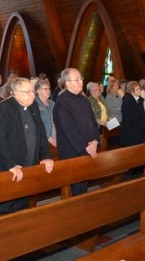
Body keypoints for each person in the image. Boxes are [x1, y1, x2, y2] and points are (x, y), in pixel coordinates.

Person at [0, 77, 54, 217]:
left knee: (21, 207)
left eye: (32, 91)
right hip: (7, 169)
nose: (32, 95)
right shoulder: (5, 107)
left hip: (27, 167)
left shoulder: (33, 106)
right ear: (15, 93)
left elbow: (41, 132)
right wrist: (10, 165)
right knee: (3, 208)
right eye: (27, 92)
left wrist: (47, 156)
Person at [53, 68, 99, 196]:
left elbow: (93, 123)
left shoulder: (84, 100)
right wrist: (86, 146)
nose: (80, 82)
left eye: (81, 78)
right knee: (75, 189)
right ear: (67, 83)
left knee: (83, 186)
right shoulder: (62, 102)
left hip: (88, 149)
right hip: (72, 152)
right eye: (76, 79)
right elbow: (69, 130)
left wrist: (95, 141)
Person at [119, 81, 145, 148]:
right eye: (137, 89)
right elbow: (132, 117)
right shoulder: (127, 101)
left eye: (139, 89)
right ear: (132, 91)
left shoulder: (140, 100)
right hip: (130, 132)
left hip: (138, 130)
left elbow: (143, 114)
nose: (140, 90)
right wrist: (144, 126)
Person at [35, 78, 56, 147]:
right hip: (44, 140)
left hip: (56, 137)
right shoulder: (35, 104)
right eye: (45, 89)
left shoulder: (52, 103)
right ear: (38, 91)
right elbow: (36, 124)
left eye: (49, 89)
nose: (48, 91)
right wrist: (48, 137)